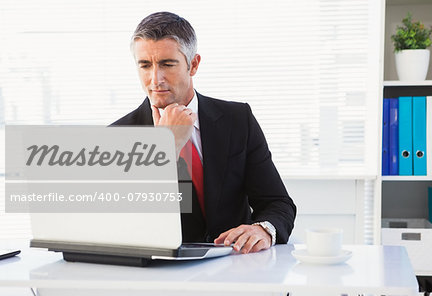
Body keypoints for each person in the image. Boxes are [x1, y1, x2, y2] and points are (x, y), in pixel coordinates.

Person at [112, 11, 296, 254]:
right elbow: (124, 222)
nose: (155, 79)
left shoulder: (237, 120)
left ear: (194, 64)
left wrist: (263, 229)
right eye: (145, 65)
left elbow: (277, 202)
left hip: (236, 268)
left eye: (167, 64)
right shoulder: (118, 135)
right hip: (162, 275)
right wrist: (166, 147)